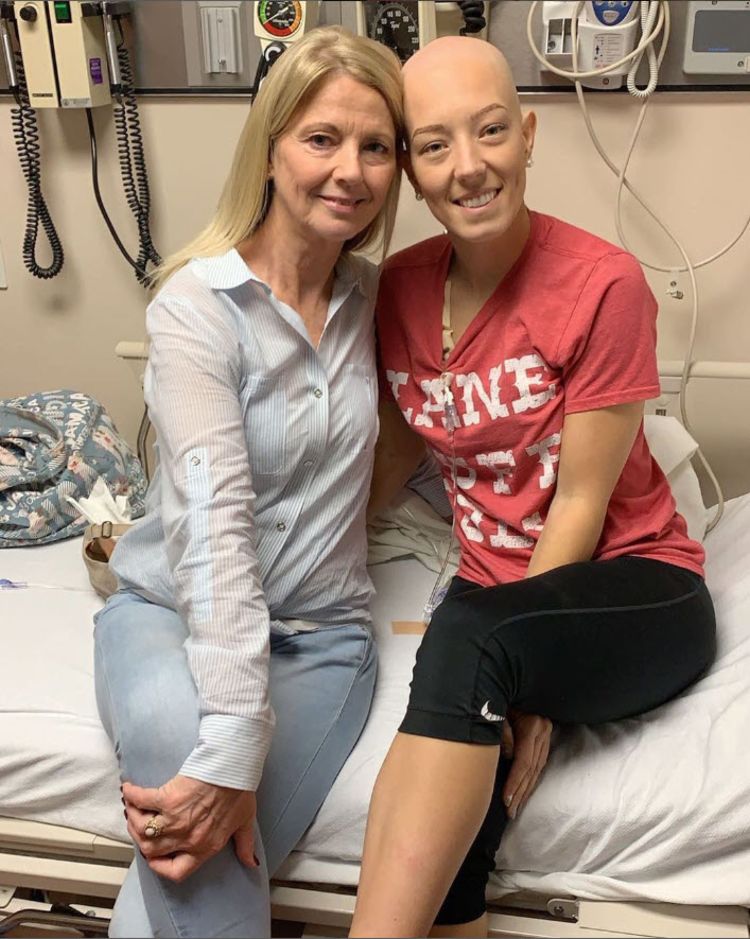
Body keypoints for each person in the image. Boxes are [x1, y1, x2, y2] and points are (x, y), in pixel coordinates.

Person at [350, 36, 716, 938]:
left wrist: (536, 681)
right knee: (456, 823)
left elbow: (581, 505)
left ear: (530, 135)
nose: (468, 166)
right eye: (434, 145)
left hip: (634, 588)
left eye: (491, 132)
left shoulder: (602, 285)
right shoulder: (399, 289)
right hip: (493, 606)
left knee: (471, 637)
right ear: (410, 167)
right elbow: (391, 462)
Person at [93, 26, 403, 938]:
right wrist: (233, 735)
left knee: (191, 843)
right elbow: (212, 516)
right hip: (166, 607)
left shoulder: (387, 304)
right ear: (269, 150)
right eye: (321, 139)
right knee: (182, 758)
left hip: (320, 636)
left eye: (376, 147)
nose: (349, 170)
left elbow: (454, 423)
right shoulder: (195, 308)